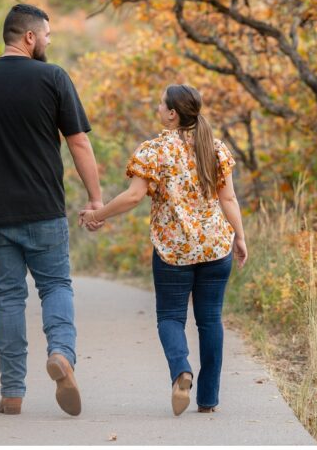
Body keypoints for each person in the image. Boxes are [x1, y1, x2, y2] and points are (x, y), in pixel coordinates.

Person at [0, 3, 103, 417]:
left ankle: (12, 392)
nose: (49, 41)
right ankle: (62, 353)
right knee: (55, 287)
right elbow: (78, 143)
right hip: (44, 208)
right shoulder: (53, 78)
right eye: (46, 34)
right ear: (29, 37)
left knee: (9, 297)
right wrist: (96, 199)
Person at [79, 84, 248, 416]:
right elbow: (228, 199)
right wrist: (239, 237)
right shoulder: (216, 148)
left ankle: (181, 371)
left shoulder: (154, 150)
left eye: (160, 104)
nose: (157, 108)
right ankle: (209, 399)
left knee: (171, 317)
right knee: (210, 320)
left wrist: (97, 215)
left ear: (172, 113)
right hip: (216, 247)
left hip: (173, 250)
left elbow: (132, 196)